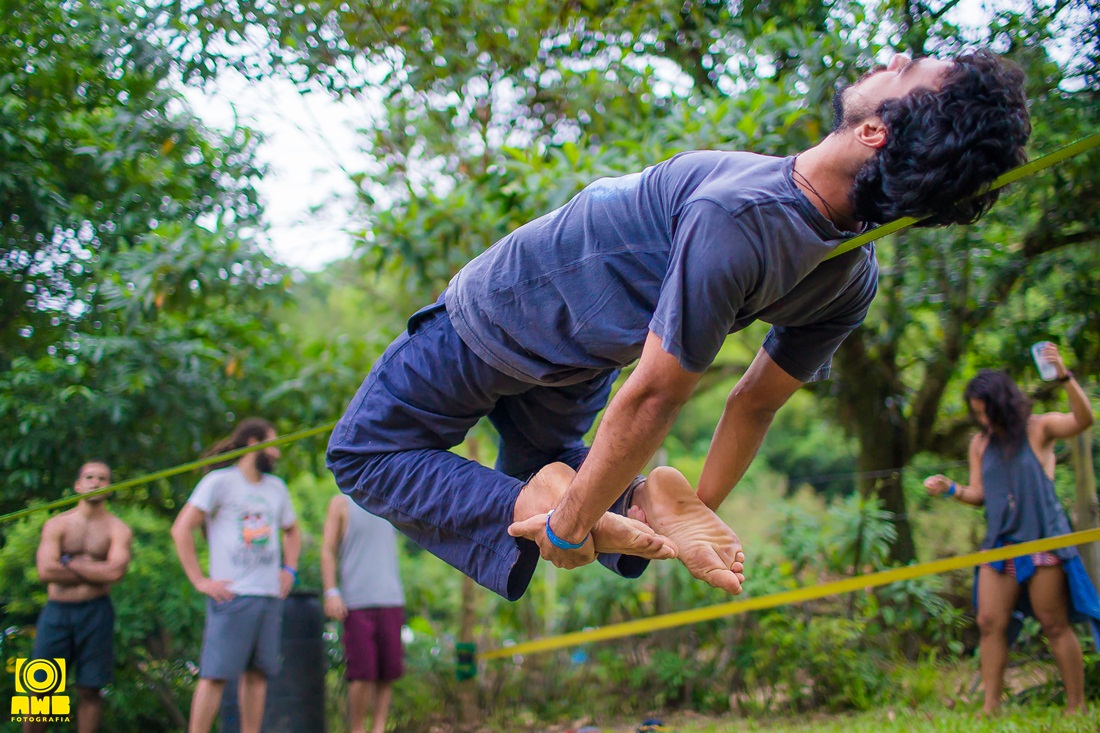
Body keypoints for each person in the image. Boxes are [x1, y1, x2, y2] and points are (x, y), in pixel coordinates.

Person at [327, 49, 1031, 601]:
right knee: (563, 473)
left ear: (875, 131)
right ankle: (637, 497)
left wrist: (567, 526)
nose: (895, 58)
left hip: (497, 315)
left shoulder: (739, 211)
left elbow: (657, 394)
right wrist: (692, 505)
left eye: (907, 72)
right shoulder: (850, 273)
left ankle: (546, 496)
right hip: (579, 368)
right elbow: (753, 403)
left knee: (365, 453)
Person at [924, 344, 1100, 715]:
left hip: (1042, 539)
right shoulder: (980, 444)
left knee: (1053, 623)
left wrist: (1065, 377)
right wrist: (950, 488)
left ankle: (1076, 706)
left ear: (1002, 403)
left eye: (986, 410)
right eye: (976, 413)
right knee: (989, 622)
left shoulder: (1039, 429)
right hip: (1001, 542)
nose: (982, 418)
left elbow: (1083, 420)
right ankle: (991, 706)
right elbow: (979, 494)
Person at [171, 418, 301, 733]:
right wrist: (200, 580)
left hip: (268, 594)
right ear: (253, 443)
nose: (277, 453)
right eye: (272, 444)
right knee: (214, 675)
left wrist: (289, 569)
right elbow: (181, 528)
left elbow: (292, 531)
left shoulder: (276, 488)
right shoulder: (219, 482)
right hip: (232, 595)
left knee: (257, 674)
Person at [26, 461, 132, 733]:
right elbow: (46, 570)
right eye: (89, 477)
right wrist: (95, 570)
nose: (95, 482)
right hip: (56, 612)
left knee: (90, 689)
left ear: (110, 488)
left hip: (96, 612)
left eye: (102, 478)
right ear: (77, 485)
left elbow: (115, 572)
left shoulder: (118, 529)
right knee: (41, 687)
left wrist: (68, 563)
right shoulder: (57, 524)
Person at [321, 495, 406, 733]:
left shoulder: (391, 497)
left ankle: (379, 727)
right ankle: (357, 728)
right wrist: (331, 592)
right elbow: (328, 549)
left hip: (390, 596)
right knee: (362, 672)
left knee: (388, 671)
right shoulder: (341, 502)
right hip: (357, 600)